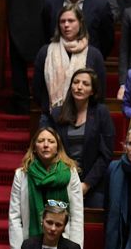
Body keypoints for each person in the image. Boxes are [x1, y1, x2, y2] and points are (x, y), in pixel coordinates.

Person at [8, 127, 84, 249]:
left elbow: (77, 216)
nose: (46, 145)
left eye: (51, 141)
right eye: (41, 141)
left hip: (63, 245)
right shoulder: (22, 175)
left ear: (58, 148)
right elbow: (14, 217)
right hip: (30, 246)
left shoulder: (70, 173)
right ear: (34, 147)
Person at [47, 68, 113, 208]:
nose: (79, 87)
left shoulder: (101, 113)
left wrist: (87, 184)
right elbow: (51, 150)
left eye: (85, 84)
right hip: (62, 178)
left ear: (92, 91)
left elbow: (106, 154)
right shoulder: (58, 113)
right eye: (76, 82)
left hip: (93, 181)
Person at [34, 5, 106, 119]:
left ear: (80, 23)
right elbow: (38, 89)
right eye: (62, 21)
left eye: (71, 21)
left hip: (84, 118)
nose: (66, 25)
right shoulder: (45, 52)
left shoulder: (94, 55)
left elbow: (100, 92)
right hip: (51, 116)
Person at [42, 0, 114, 57]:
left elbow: (107, 39)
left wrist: (95, 57)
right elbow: (45, 33)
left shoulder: (100, 5)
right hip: (55, 58)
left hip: (88, 60)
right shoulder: (51, 3)